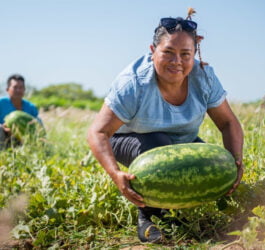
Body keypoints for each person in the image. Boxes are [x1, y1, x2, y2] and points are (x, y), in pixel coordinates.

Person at [87, 9, 244, 243]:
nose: (177, 62)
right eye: (168, 52)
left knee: (209, 161)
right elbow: (97, 132)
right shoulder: (134, 83)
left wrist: (235, 161)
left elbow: (228, 122)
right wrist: (115, 173)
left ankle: (172, 212)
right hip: (127, 139)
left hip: (179, 142)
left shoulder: (204, 77)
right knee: (157, 144)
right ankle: (147, 218)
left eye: (185, 54)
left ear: (194, 54)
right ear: (153, 51)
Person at [0, 74, 41, 151]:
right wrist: (9, 130)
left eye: (21, 87)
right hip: (4, 138)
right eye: (15, 87)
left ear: (24, 89)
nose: (18, 90)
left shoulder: (30, 107)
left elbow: (38, 126)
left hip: (24, 139)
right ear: (7, 89)